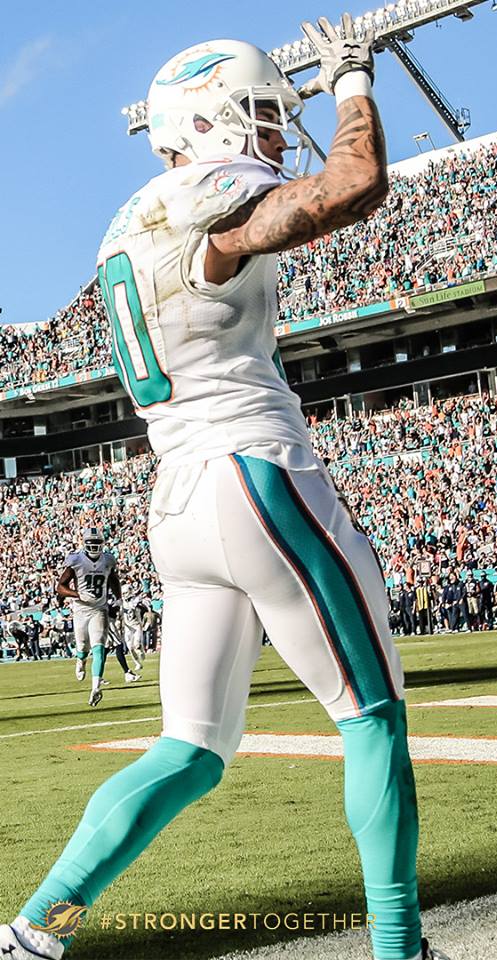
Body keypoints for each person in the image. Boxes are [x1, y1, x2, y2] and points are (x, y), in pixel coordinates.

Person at [0, 23, 445, 960]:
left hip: (178, 500)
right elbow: (352, 187)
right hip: (254, 470)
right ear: (203, 122)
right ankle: (401, 951)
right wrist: (353, 82)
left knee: (191, 749)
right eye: (263, 117)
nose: (280, 136)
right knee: (372, 715)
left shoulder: (128, 219)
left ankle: (39, 929)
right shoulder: (208, 196)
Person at [56, 526, 124, 707]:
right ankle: (80, 659)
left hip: (99, 609)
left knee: (99, 647)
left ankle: (96, 688)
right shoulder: (76, 560)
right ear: (85, 543)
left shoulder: (108, 560)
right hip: (80, 609)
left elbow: (113, 579)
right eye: (91, 543)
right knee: (83, 647)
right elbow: (60, 586)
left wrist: (118, 599)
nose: (94, 546)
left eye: (97, 543)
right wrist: (77, 595)